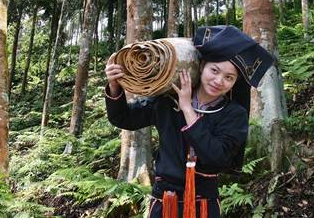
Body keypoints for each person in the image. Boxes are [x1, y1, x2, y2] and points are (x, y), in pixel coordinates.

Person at [104, 25, 274, 218]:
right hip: (164, 202)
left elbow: (216, 158)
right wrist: (115, 86)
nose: (219, 81)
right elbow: (123, 118)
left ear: (235, 82)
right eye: (214, 70)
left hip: (204, 206)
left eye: (229, 77)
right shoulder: (168, 101)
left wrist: (187, 109)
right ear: (201, 66)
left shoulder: (234, 114)